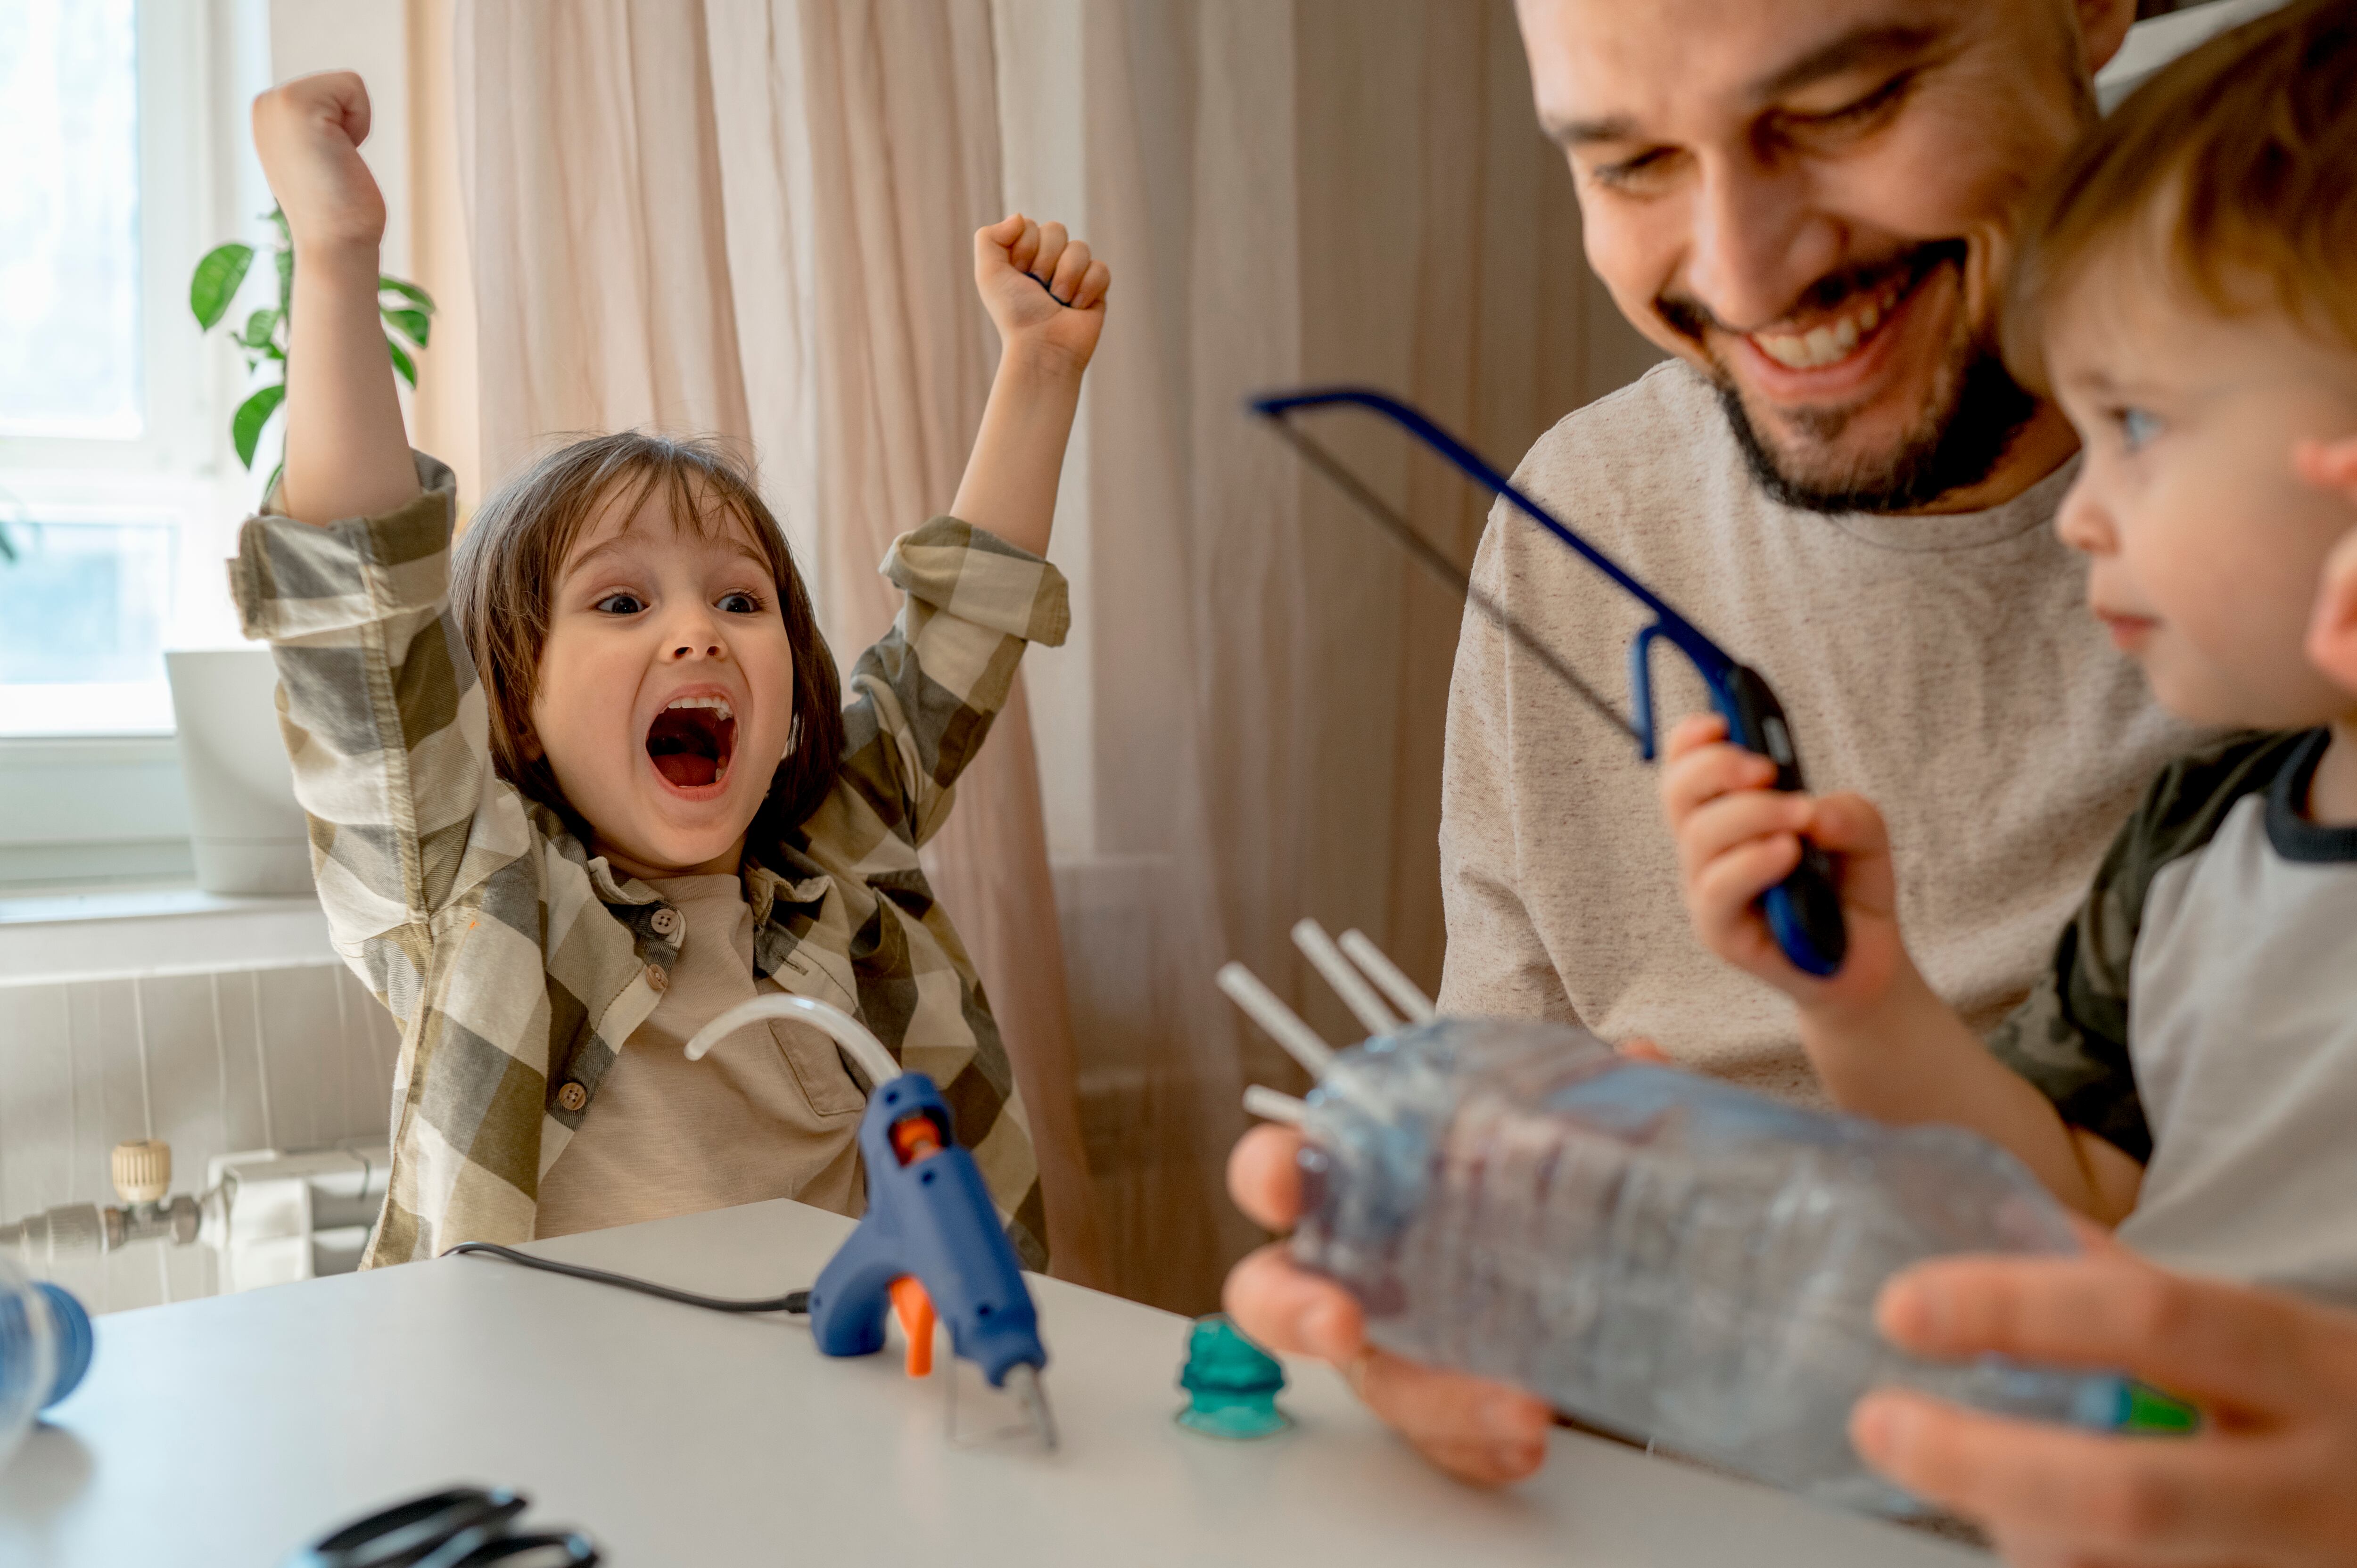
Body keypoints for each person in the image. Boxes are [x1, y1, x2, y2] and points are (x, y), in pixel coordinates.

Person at [1230, 0, 2190, 1486]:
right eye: (1628, 165)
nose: (1742, 272)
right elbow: (1503, 1176)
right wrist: (1435, 1320)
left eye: (1850, 106)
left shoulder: (2308, 518)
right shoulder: (1585, 514)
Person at [239, 72, 1108, 1266]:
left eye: (740, 600)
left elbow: (961, 633)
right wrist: (336, 259)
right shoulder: (477, 893)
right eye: (621, 600)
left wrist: (1041, 368)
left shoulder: (839, 848)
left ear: (792, 698)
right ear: (518, 709)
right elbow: (360, 629)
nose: (696, 632)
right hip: (565, 1436)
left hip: (834, 1423)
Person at [1666, 0, 2357, 1304]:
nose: (2082, 514)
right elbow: (2079, 1198)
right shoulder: (2196, 840)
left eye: (2139, 424)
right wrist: (1869, 1007)